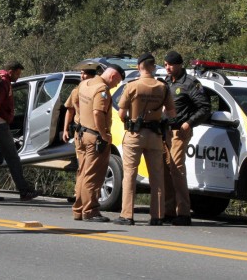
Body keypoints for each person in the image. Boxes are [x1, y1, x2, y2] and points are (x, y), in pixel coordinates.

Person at [113, 53, 176, 226]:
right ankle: (157, 216)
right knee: (157, 177)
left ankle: (127, 215)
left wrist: (131, 120)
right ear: (153, 67)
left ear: (140, 66)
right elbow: (171, 113)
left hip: (135, 135)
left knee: (130, 174)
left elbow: (121, 113)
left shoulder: (133, 86)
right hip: (155, 136)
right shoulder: (163, 87)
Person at [163, 51, 211, 226]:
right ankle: (168, 211)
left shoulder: (190, 83)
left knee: (176, 169)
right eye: (165, 64)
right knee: (166, 171)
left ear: (179, 65)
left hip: (180, 131)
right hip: (165, 131)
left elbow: (205, 108)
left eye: (171, 64)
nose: (167, 67)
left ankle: (183, 212)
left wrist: (189, 123)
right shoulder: (167, 82)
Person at [72, 63, 125, 222]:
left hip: (81, 133)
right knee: (93, 175)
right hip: (95, 136)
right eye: (117, 82)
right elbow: (97, 113)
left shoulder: (84, 84)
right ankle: (90, 210)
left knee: (82, 173)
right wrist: (104, 135)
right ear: (113, 76)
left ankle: (78, 209)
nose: (116, 85)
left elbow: (75, 103)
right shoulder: (102, 90)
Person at [0, 61, 38, 201]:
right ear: (11, 71)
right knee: (13, 158)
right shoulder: (3, 82)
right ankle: (24, 191)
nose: (18, 77)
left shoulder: (0, 80)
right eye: (18, 73)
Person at [62, 66, 98, 203]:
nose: (82, 77)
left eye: (85, 74)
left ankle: (84, 196)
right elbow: (69, 110)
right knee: (82, 166)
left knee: (86, 167)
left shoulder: (95, 90)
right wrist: (65, 129)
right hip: (80, 132)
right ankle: (79, 195)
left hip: (90, 132)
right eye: (82, 74)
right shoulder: (76, 91)